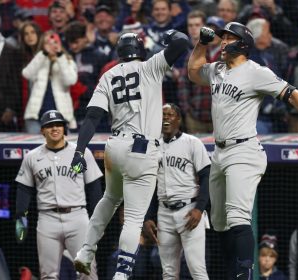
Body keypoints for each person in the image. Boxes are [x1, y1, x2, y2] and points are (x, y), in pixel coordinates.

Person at [187, 22, 298, 279]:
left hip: (244, 151)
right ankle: (233, 271)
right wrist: (201, 44)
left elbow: (291, 93)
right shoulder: (217, 69)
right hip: (219, 153)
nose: (222, 42)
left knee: (237, 217)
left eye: (228, 38)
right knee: (219, 223)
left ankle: (245, 274)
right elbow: (192, 72)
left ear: (242, 44)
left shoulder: (256, 72)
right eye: (222, 38)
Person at [70, 30, 190, 279]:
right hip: (142, 150)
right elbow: (182, 42)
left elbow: (92, 117)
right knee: (134, 217)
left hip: (114, 147)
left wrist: (80, 150)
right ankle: (122, 274)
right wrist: (167, 34)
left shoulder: (108, 75)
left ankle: (86, 250)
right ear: (141, 50)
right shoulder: (151, 66)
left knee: (109, 199)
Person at [14, 110, 103, 279]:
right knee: (48, 274)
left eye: (58, 125)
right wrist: (20, 216)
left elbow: (93, 187)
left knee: (88, 272)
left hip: (77, 216)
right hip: (47, 219)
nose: (54, 128)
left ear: (64, 128)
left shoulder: (82, 152)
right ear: (42, 130)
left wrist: (99, 219)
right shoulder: (32, 157)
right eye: (49, 126)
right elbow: (24, 188)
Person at [143, 103, 211, 279]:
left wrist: (199, 208)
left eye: (170, 114)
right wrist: (148, 216)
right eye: (163, 115)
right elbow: (149, 184)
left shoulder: (192, 143)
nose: (166, 118)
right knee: (168, 272)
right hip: (163, 213)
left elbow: (207, 177)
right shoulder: (152, 146)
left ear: (179, 120)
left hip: (189, 210)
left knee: (197, 270)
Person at [22, 30, 78, 133]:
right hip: (36, 116)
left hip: (61, 117)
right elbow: (26, 73)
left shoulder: (67, 61)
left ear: (59, 44)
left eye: (54, 42)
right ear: (43, 45)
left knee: (64, 148)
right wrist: (43, 54)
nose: (52, 46)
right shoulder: (39, 60)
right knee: (35, 148)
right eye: (47, 43)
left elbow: (70, 80)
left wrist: (60, 56)